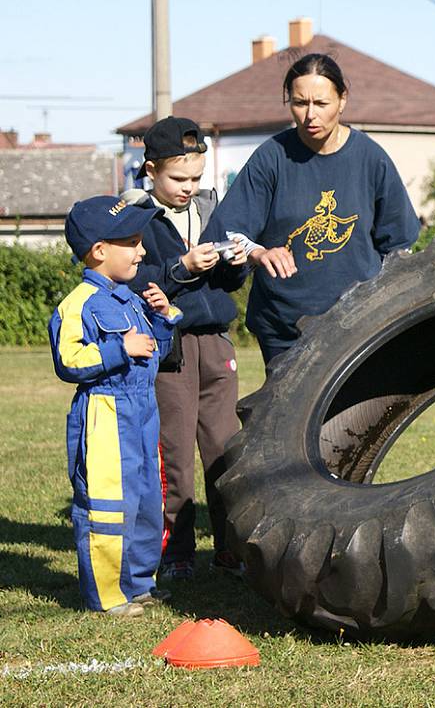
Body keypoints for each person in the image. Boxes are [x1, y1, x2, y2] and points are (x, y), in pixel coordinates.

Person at [203, 52, 420, 367]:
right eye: (300, 103)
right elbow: (225, 234)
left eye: (321, 104)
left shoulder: (370, 158)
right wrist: (259, 253)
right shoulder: (271, 158)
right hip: (284, 330)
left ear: (342, 100)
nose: (310, 115)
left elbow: (400, 245)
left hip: (358, 328)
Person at [123, 116, 248, 581]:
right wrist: (181, 266)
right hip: (170, 350)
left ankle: (230, 548)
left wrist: (237, 263)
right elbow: (134, 281)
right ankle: (176, 551)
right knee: (173, 453)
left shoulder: (212, 210)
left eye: (196, 178)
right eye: (178, 178)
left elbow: (228, 283)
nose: (188, 187)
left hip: (216, 343)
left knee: (224, 449)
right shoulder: (136, 219)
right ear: (151, 170)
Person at [48, 195, 182, 616]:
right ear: (100, 250)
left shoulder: (134, 298)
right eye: (133, 241)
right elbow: (69, 361)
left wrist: (162, 318)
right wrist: (116, 349)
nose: (142, 251)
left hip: (143, 409)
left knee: (145, 501)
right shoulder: (78, 305)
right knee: (108, 506)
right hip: (106, 415)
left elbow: (154, 354)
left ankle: (139, 583)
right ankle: (106, 595)